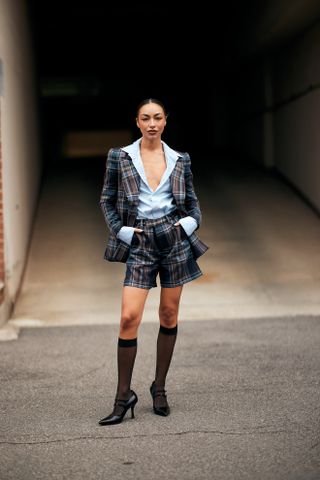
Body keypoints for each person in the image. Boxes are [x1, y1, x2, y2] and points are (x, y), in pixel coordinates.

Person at [98, 98, 209, 425]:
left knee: (169, 313)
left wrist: (187, 225)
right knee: (129, 317)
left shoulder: (180, 160)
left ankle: (159, 388)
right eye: (145, 118)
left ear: (165, 121)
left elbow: (193, 204)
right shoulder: (120, 157)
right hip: (140, 240)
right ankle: (123, 396)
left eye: (157, 117)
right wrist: (123, 232)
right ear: (137, 121)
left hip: (174, 240)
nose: (151, 123)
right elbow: (106, 200)